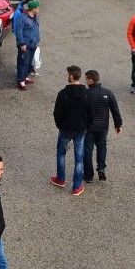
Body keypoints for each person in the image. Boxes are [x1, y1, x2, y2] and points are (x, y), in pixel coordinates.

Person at [50, 65, 92, 196]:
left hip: (65, 129)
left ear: (72, 76)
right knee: (79, 158)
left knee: (61, 154)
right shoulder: (87, 94)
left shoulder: (63, 93)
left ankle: (61, 179)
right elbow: (91, 113)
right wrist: (86, 126)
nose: (66, 76)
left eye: (67, 74)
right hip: (80, 130)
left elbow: (57, 112)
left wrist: (59, 125)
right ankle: (77, 186)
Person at [83, 70, 122, 184]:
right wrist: (118, 125)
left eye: (86, 79)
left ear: (90, 80)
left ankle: (88, 175)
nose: (85, 82)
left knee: (88, 151)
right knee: (102, 147)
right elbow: (115, 110)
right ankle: (101, 168)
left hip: (89, 128)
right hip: (103, 127)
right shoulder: (108, 92)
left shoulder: (86, 94)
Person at [13, 0, 40, 90]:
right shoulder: (23, 18)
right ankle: (21, 81)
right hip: (25, 45)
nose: (39, 9)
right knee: (23, 62)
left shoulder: (35, 16)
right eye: (38, 8)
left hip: (33, 45)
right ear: (33, 9)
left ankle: (24, 77)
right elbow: (18, 32)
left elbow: (36, 30)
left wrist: (37, 41)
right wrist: (22, 44)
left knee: (28, 62)